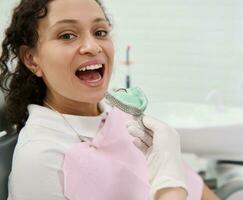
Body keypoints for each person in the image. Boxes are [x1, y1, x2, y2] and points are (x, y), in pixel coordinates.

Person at [0, 0, 220, 199]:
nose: (93, 47)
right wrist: (171, 186)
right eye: (67, 35)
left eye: (100, 32)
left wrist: (170, 166)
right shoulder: (39, 160)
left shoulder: (123, 118)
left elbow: (203, 195)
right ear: (31, 59)